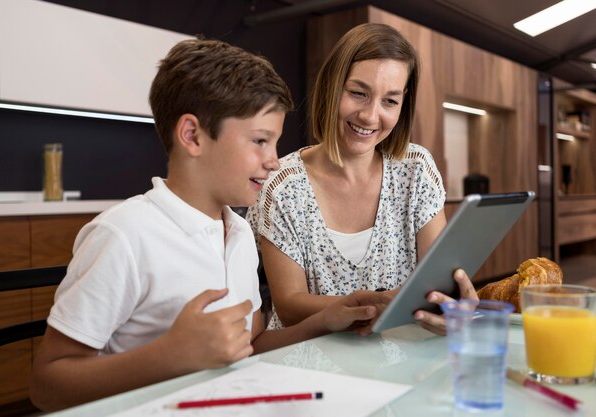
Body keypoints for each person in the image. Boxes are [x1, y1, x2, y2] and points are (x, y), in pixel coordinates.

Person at [29, 38, 391, 412]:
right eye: (260, 141)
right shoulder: (124, 235)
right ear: (193, 136)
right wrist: (170, 355)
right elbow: (46, 385)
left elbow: (246, 347)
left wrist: (323, 322)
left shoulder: (239, 234)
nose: (274, 161)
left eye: (275, 143)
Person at [246, 23, 477, 333]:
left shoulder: (416, 170)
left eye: (390, 101)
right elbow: (288, 307)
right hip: (308, 361)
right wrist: (375, 306)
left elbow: (436, 279)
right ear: (331, 86)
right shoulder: (282, 185)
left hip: (397, 356)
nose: (370, 116)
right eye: (358, 93)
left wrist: (449, 302)